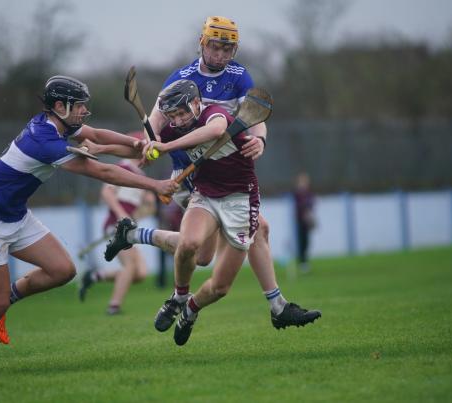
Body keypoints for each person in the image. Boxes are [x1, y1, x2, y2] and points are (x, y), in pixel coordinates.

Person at [0, 75, 179, 375]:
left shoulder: (59, 123)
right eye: (79, 105)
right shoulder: (44, 141)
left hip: (15, 215)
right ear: (59, 105)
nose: (84, 110)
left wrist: (135, 143)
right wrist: (155, 184)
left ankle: (9, 297)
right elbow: (103, 171)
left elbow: (96, 134)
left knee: (62, 270)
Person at [107, 16, 321, 332]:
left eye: (227, 49)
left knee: (211, 250)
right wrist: (153, 144)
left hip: (218, 165)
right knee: (240, 234)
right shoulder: (180, 77)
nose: (221, 54)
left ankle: (133, 236)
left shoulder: (238, 76)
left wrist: (260, 139)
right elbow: (156, 122)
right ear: (202, 43)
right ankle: (274, 305)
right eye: (215, 46)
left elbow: (255, 112)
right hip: (188, 168)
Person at [77, 157, 156, 315]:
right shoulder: (123, 167)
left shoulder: (140, 176)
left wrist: (149, 203)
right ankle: (114, 306)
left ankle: (95, 276)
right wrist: (121, 215)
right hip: (116, 225)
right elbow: (106, 192)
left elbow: (145, 209)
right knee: (130, 266)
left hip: (128, 229)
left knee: (140, 273)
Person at [293, 172, 316, 272]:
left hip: (307, 221)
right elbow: (299, 205)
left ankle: (305, 262)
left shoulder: (308, 193)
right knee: (301, 242)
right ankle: (302, 262)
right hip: (299, 221)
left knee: (306, 242)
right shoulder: (298, 193)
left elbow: (312, 203)